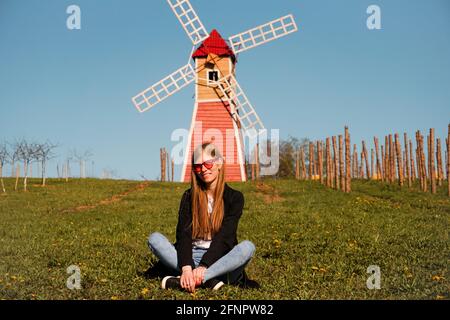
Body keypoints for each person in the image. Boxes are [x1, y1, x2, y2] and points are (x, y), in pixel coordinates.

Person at [147, 142, 259, 292]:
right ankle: (207, 280)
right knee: (154, 239)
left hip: (220, 259)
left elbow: (226, 236)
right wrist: (187, 267)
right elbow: (183, 234)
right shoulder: (189, 196)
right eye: (198, 166)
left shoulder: (235, 198)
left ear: (219, 163)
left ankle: (194, 279)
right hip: (190, 256)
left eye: (207, 164)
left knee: (248, 247)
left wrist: (204, 266)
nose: (203, 170)